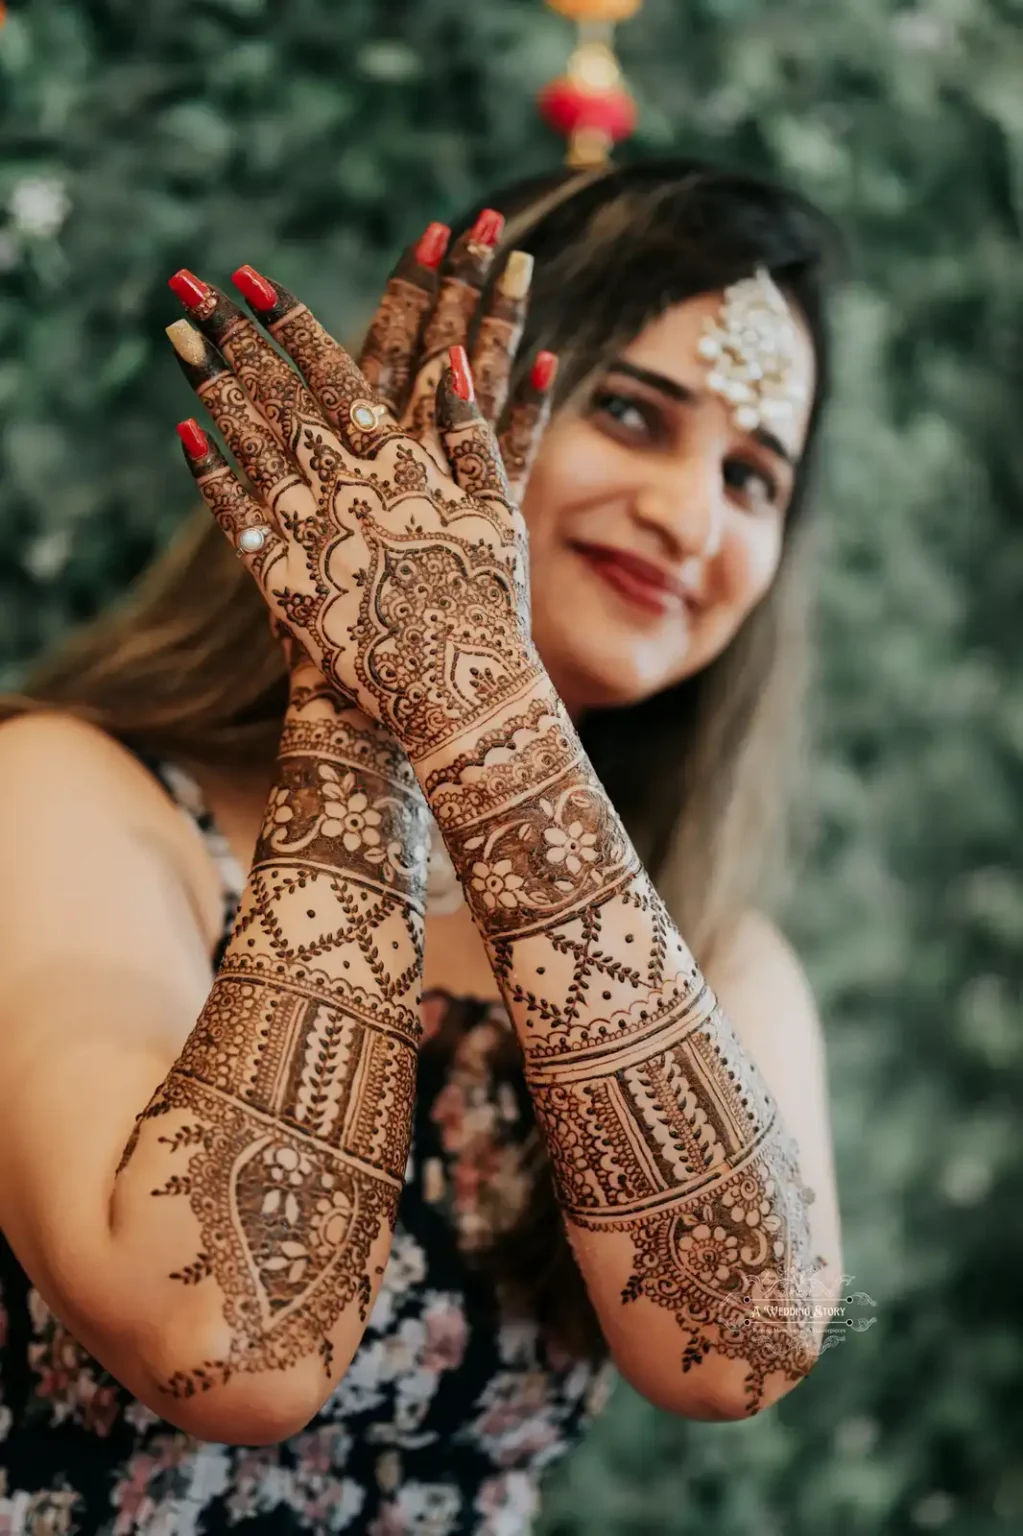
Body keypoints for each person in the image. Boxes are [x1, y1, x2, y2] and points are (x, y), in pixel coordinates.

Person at [0, 158, 844, 1535]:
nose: (691, 519)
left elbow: (736, 1346)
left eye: (753, 477)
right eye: (631, 414)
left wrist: (476, 709)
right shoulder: (72, 798)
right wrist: (370, 693)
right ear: (431, 420)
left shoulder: (722, 949)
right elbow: (233, 1343)